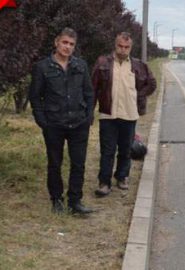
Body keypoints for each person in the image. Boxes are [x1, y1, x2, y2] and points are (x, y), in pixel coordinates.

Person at [29, 28, 94, 214]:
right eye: (65, 42)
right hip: (54, 124)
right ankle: (56, 199)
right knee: (55, 163)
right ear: (57, 42)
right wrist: (43, 122)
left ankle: (75, 201)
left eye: (71, 44)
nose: (67, 47)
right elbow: (35, 97)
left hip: (79, 124)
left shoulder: (80, 66)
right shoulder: (42, 67)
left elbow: (89, 93)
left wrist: (88, 116)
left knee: (78, 163)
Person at [92, 32, 156, 197]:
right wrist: (89, 112)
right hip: (108, 115)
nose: (123, 50)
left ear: (130, 48)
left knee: (126, 150)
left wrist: (138, 95)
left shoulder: (139, 65)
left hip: (129, 114)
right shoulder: (103, 63)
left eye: (126, 47)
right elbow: (93, 87)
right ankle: (104, 182)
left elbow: (152, 83)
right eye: (120, 46)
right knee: (107, 150)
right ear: (115, 45)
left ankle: (122, 177)